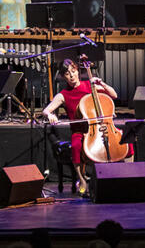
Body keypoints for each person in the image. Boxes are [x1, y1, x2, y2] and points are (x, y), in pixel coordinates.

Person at [41, 58, 122, 195]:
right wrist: (50, 115)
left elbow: (114, 95)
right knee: (76, 146)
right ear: (63, 76)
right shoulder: (63, 95)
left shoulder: (89, 85)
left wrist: (101, 83)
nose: (72, 76)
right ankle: (82, 179)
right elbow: (46, 110)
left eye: (73, 71)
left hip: (98, 127)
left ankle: (128, 174)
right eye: (67, 74)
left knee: (125, 141)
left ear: (78, 71)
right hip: (79, 131)